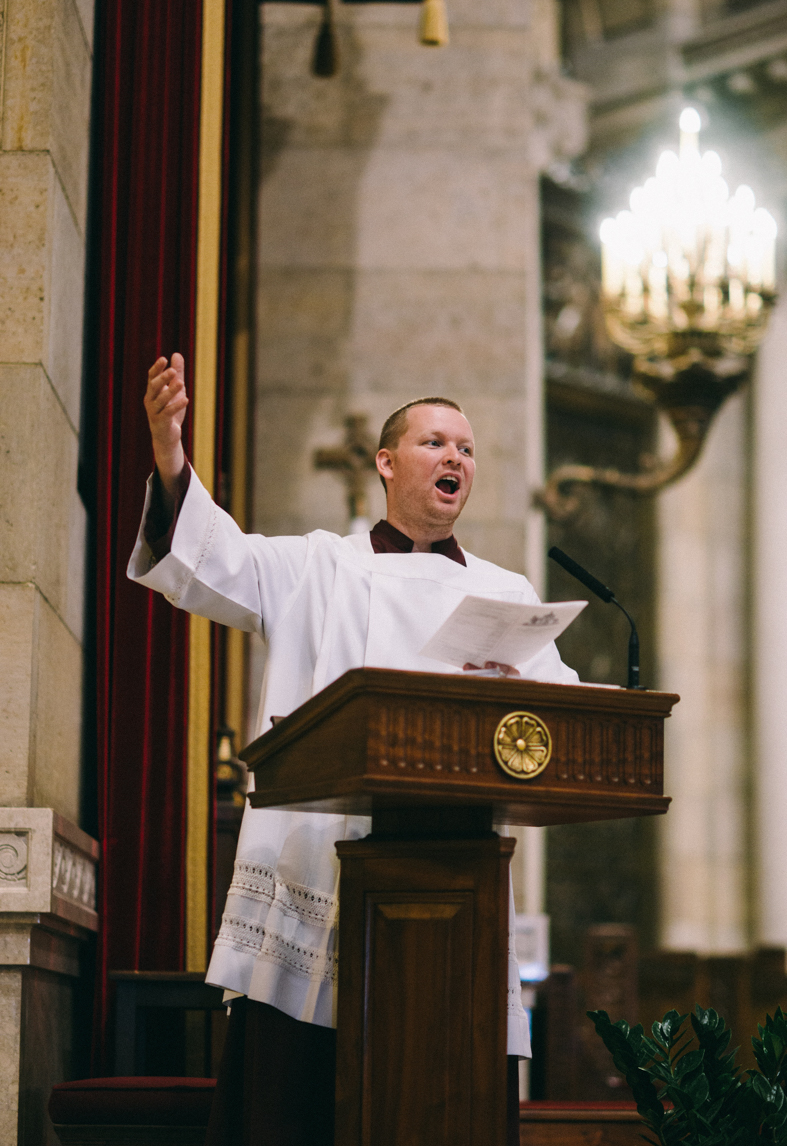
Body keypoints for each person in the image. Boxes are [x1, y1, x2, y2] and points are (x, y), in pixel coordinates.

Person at [129, 353, 580, 1146]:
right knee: (297, 1097)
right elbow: (212, 559)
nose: (454, 459)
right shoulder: (318, 568)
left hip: (454, 869)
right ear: (386, 461)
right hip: (318, 858)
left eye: (467, 449)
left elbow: (561, 706)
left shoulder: (506, 593)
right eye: (436, 442)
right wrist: (171, 455)